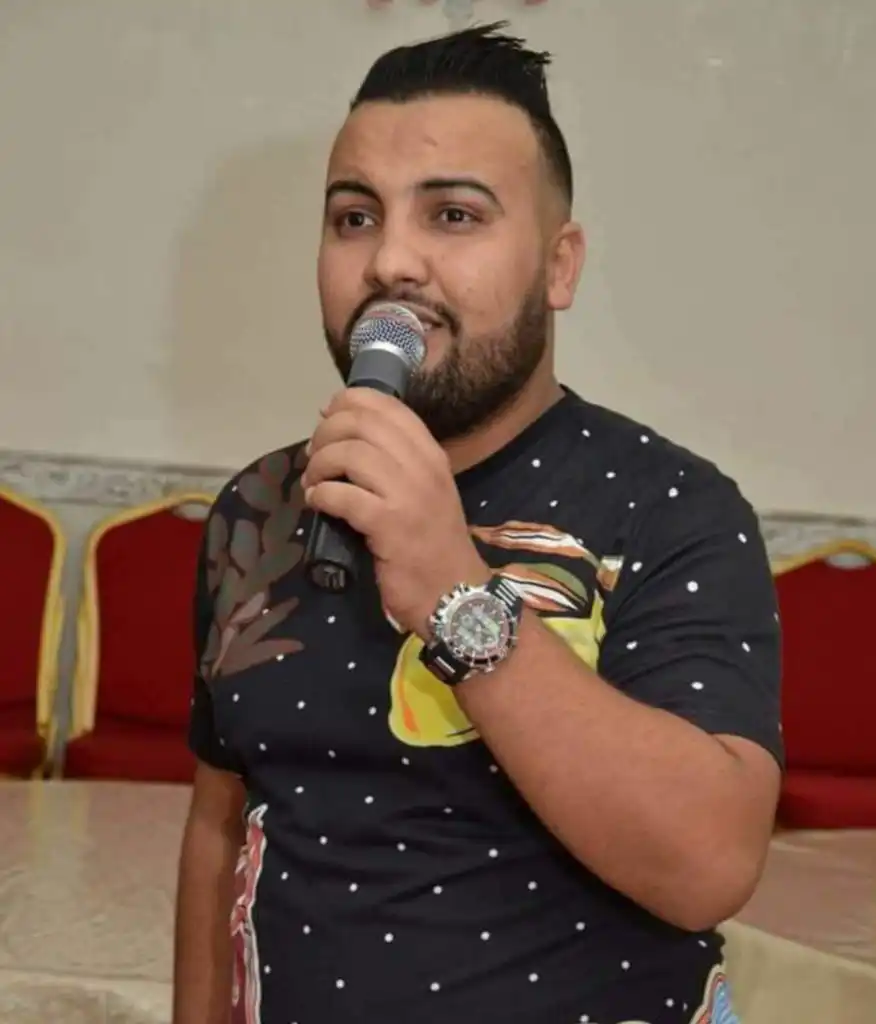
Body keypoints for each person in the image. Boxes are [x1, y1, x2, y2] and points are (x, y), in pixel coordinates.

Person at [173, 21, 782, 1024]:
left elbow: (707, 864)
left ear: (558, 266)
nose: (391, 262)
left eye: (453, 215)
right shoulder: (260, 510)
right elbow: (219, 829)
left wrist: (456, 592)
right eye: (354, 217)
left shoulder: (671, 506)